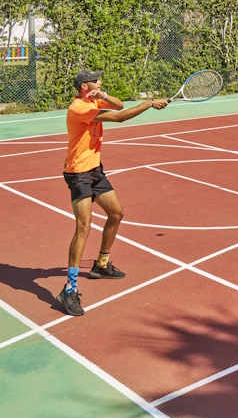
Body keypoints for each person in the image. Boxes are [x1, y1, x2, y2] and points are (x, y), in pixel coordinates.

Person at [56, 69, 168, 317]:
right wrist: (149, 103)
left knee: (116, 214)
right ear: (84, 86)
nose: (100, 81)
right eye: (95, 80)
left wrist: (103, 94)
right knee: (83, 227)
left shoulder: (93, 100)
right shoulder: (79, 108)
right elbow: (120, 117)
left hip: (94, 170)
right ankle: (69, 290)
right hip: (79, 174)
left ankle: (101, 265)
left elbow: (119, 104)